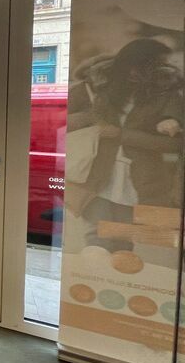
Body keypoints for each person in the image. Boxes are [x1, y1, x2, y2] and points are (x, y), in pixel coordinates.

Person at [66, 38, 184, 248]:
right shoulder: (97, 87)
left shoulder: (168, 95)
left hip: (141, 180)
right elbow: (59, 120)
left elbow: (174, 145)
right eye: (137, 66)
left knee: (123, 241)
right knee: (97, 237)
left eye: (157, 66)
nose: (138, 73)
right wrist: (92, 119)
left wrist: (121, 135)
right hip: (95, 174)